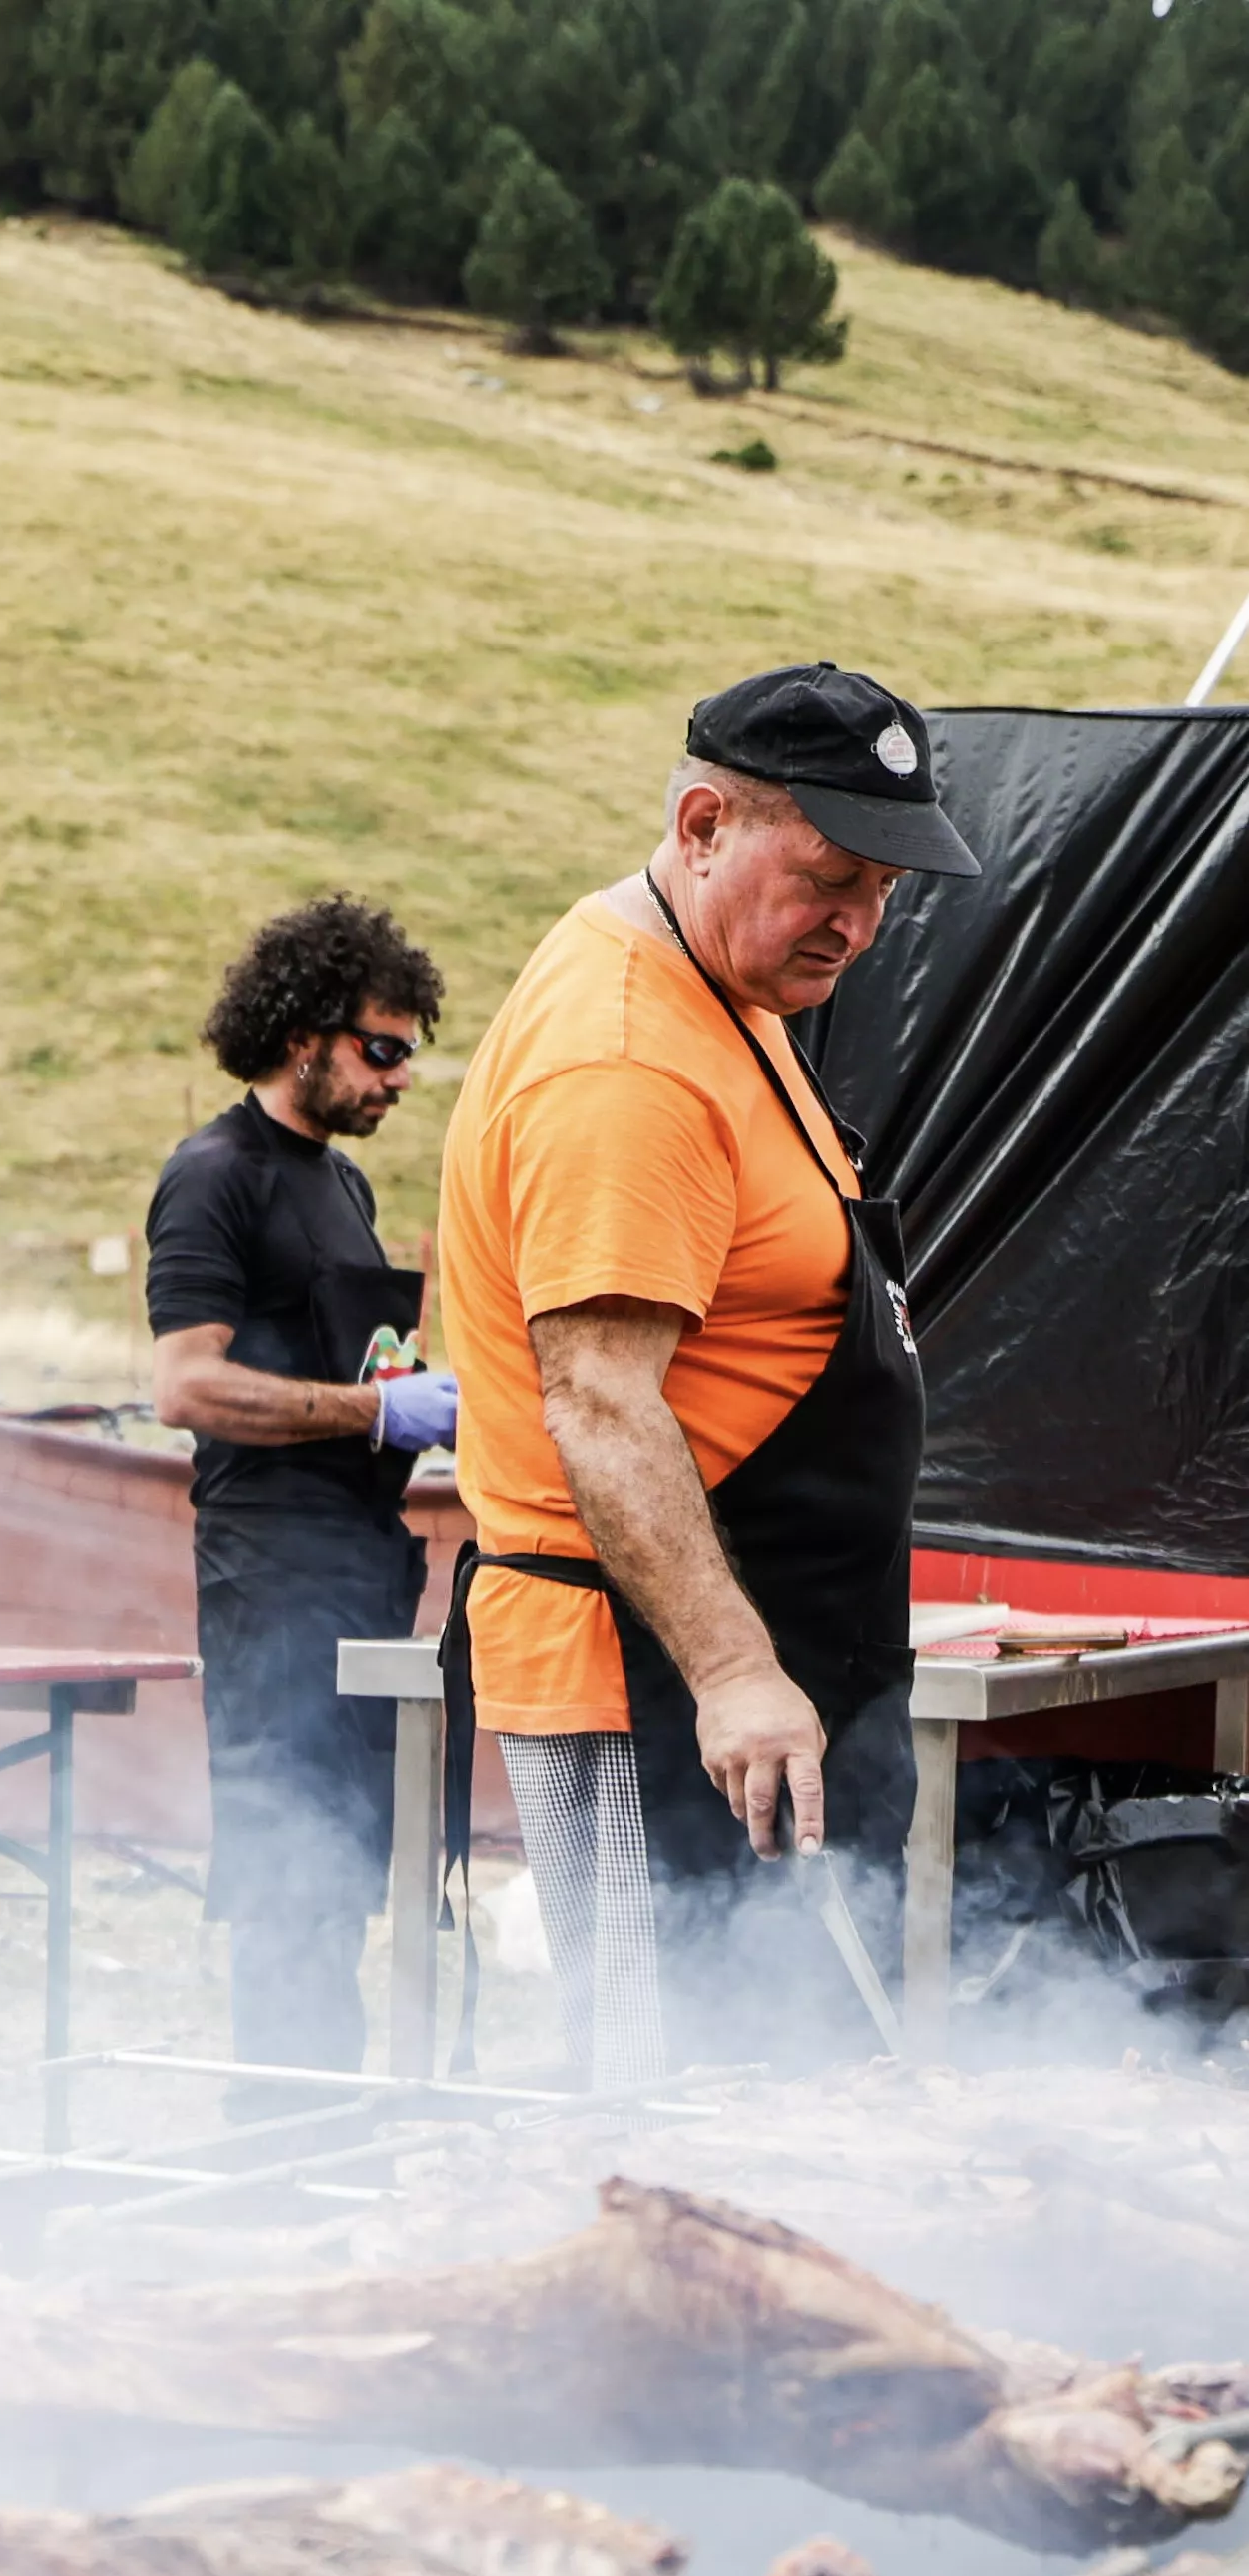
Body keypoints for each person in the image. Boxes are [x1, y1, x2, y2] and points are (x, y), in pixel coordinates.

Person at [435, 662, 979, 2086]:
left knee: (791, 2104)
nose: (856, 925)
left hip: (773, 1656)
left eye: (884, 889)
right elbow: (597, 1399)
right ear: (699, 823)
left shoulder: (716, 991)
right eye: (828, 877)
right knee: (679, 2119)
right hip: (654, 1685)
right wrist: (734, 1671)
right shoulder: (622, 1060)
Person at [143, 896, 456, 2091]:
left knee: (346, 1872)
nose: (399, 1077)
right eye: (380, 1049)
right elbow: (185, 1385)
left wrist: (407, 1390)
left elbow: (342, 1371)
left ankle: (329, 2120)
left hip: (360, 1561)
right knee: (289, 1877)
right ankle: (277, 2136)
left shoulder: (345, 1188)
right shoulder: (213, 1174)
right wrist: (377, 1412)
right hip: (269, 1575)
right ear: (300, 1038)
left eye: (409, 1054)